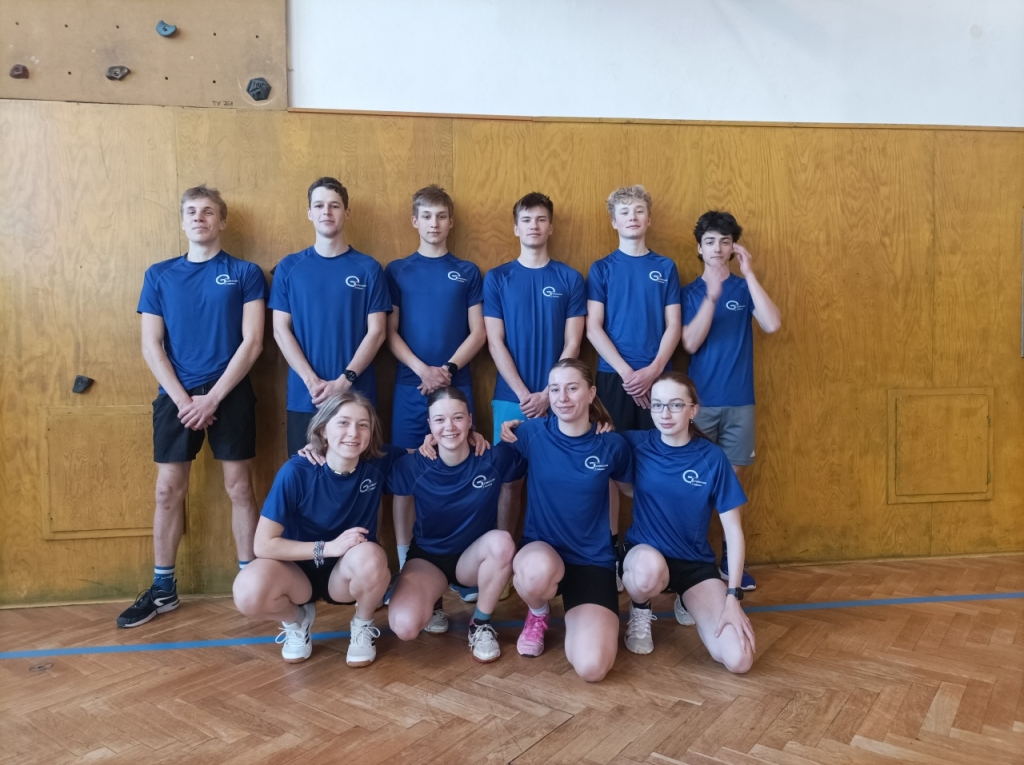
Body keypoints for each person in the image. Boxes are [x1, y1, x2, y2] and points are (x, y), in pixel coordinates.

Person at [119, 185, 267, 628]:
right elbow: (151, 345)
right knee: (167, 491)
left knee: (239, 488)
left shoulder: (245, 272)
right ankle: (163, 588)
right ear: (182, 221)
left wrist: (214, 397)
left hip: (230, 394)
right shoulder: (159, 274)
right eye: (191, 212)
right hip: (176, 399)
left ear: (222, 221)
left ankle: (250, 582)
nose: (199, 218)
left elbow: (253, 342)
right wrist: (185, 400)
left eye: (207, 212)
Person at [232, 393, 402, 666]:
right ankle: (296, 621)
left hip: (345, 575)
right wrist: (329, 547)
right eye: (343, 423)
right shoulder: (296, 471)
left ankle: (362, 625)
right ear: (323, 430)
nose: (353, 433)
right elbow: (263, 545)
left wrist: (465, 439)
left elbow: (432, 455)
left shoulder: (379, 461)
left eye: (363, 425)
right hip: (296, 574)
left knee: (371, 556)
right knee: (247, 591)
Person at [500, 359, 633, 682]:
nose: (562, 398)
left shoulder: (612, 445)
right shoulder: (530, 434)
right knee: (534, 573)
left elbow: (632, 490)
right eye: (555, 389)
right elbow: (486, 466)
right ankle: (538, 612)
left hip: (592, 561)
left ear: (591, 393)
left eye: (572, 388)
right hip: (543, 553)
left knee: (592, 668)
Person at [385, 186, 486, 597]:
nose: (434, 223)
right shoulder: (396, 270)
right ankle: (406, 565)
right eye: (426, 216)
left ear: (451, 222)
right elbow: (389, 332)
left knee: (459, 470)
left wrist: (446, 370)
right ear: (415, 221)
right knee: (407, 473)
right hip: (410, 387)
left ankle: (461, 569)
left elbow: (478, 332)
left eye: (441, 216)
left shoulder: (468, 271)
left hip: (456, 385)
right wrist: (422, 370)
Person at [618, 373, 755, 673]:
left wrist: (733, 597)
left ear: (693, 410)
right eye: (657, 405)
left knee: (739, 660)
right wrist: (520, 430)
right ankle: (640, 607)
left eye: (676, 405)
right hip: (646, 557)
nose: (665, 414)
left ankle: (686, 598)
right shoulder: (635, 444)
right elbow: (586, 437)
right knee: (646, 573)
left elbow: (733, 532)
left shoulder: (712, 458)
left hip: (694, 564)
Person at [585, 184, 681, 585]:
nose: (633, 217)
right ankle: (610, 550)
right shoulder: (602, 268)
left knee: (660, 464)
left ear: (649, 218)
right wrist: (628, 374)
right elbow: (593, 328)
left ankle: (654, 547)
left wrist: (654, 370)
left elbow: (674, 325)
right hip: (614, 380)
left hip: (660, 382)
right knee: (610, 466)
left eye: (639, 210)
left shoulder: (666, 267)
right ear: (614, 222)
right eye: (624, 212)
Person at [681, 211, 781, 590]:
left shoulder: (743, 288)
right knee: (696, 483)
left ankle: (729, 560)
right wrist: (711, 298)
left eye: (725, 241)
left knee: (732, 487)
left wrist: (749, 274)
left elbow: (772, 323)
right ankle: (695, 562)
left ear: (734, 246)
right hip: (700, 404)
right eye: (710, 241)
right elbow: (690, 343)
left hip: (740, 403)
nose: (717, 248)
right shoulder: (689, 293)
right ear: (699, 248)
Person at [387, 388, 524, 662]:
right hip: (428, 559)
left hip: (472, 559)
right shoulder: (412, 465)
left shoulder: (493, 458)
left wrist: (517, 425)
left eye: (458, 417)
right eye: (439, 420)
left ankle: (481, 623)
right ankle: (433, 603)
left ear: (470, 420)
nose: (449, 426)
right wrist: (316, 447)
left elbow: (536, 446)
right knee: (404, 626)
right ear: (429, 425)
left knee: (502, 542)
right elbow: (368, 455)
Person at [484, 192, 586, 536]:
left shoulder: (570, 278)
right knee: (509, 482)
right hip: (510, 398)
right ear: (516, 228)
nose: (534, 226)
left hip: (559, 399)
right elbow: (494, 341)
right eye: (526, 220)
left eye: (541, 219)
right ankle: (504, 554)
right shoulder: (497, 278)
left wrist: (548, 394)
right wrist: (524, 394)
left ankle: (556, 553)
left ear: (551, 227)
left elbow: (573, 343)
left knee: (556, 479)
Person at [270, 177, 390, 457]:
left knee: (358, 475)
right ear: (309, 213)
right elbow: (280, 330)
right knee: (306, 475)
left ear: (346, 213)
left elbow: (377, 332)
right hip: (306, 397)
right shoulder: (289, 267)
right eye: (319, 206)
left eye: (334, 205)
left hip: (356, 396)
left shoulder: (368, 268)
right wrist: (311, 381)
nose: (327, 212)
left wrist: (344, 381)